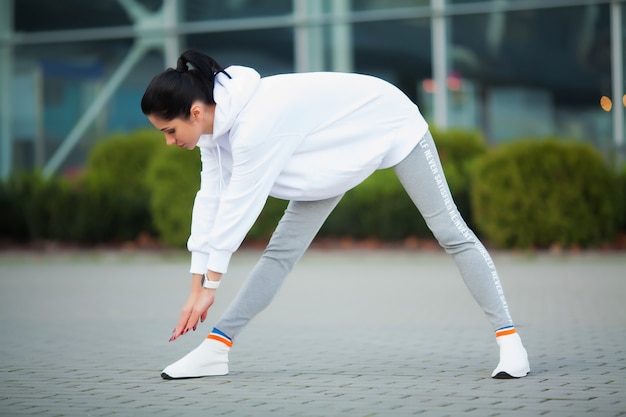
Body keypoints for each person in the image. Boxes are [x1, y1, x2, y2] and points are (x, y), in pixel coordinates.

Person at [140, 48, 530, 380]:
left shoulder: (254, 124)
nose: (170, 142)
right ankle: (216, 350)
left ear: (194, 111)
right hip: (325, 158)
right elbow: (210, 201)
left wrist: (210, 287)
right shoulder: (212, 131)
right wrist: (195, 288)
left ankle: (510, 341)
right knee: (280, 253)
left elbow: (238, 209)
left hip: (387, 121)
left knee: (450, 231)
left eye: (170, 131)